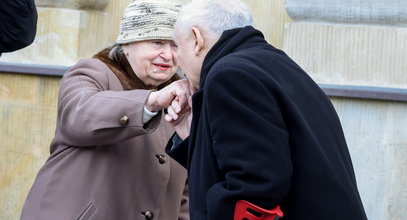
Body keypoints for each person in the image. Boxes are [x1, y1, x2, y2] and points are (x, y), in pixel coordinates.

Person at [164, 0, 368, 219]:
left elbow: (255, 185)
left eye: (177, 45)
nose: (176, 60)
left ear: (197, 39)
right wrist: (194, 136)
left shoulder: (230, 75)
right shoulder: (273, 63)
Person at [20, 0, 190, 219]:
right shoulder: (92, 73)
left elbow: (184, 193)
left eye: (175, 45)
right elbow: (80, 114)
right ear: (128, 44)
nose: (168, 54)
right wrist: (150, 103)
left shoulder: (181, 100)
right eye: (157, 42)